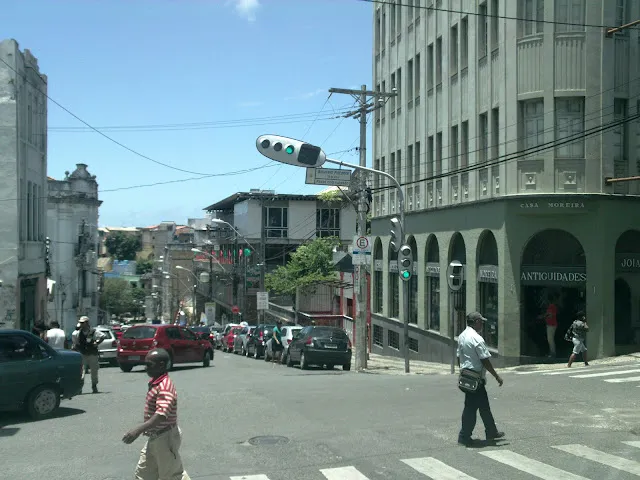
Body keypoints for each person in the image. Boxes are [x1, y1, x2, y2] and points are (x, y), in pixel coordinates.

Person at [123, 348, 190, 480]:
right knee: (143, 475)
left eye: (149, 364)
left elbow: (161, 414)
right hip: (155, 437)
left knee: (171, 476)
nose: (145, 367)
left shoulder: (165, 386)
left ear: (161, 365)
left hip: (165, 437)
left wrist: (138, 430)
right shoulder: (156, 382)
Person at [457, 311, 505, 446]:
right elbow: (485, 360)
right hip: (476, 379)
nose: (482, 324)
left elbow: (458, 356)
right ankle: (464, 436)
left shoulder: (462, 336)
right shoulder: (476, 339)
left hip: (467, 376)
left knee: (484, 406)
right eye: (481, 322)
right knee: (470, 409)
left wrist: (462, 371)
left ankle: (491, 431)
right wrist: (497, 376)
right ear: (476, 322)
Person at [76, 316, 104, 393]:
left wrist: (97, 342)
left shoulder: (93, 331)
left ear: (87, 323)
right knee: (81, 371)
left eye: (82, 323)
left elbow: (102, 336)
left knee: (94, 371)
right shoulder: (78, 332)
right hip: (83, 354)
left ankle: (94, 385)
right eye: (80, 323)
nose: (81, 324)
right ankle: (80, 388)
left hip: (92, 353)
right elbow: (76, 342)